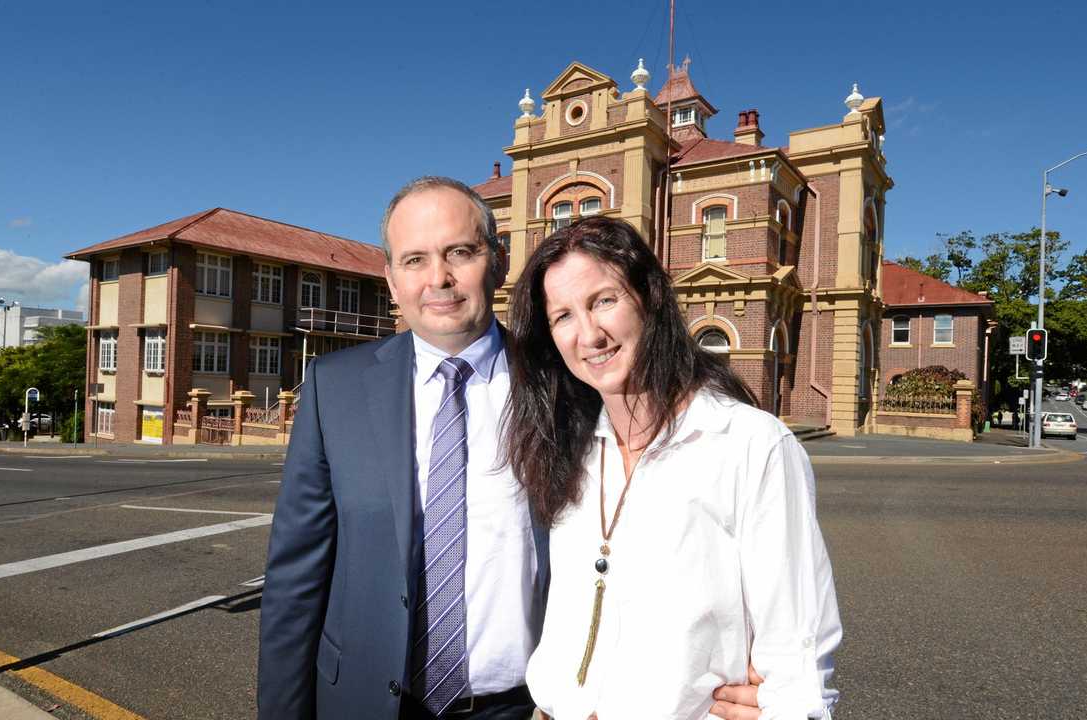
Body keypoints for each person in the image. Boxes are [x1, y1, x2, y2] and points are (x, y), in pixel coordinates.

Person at [258, 178, 764, 719]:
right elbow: (297, 579)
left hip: (526, 709)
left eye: (460, 252)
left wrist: (741, 664)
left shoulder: (572, 381)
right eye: (414, 260)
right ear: (390, 280)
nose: (439, 279)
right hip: (362, 702)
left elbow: (663, 533)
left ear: (498, 262)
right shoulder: (334, 388)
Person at [504, 216, 842, 720]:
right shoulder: (568, 447)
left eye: (604, 300)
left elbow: (796, 653)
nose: (589, 334)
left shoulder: (750, 444)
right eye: (563, 317)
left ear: (649, 298)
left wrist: (784, 709)